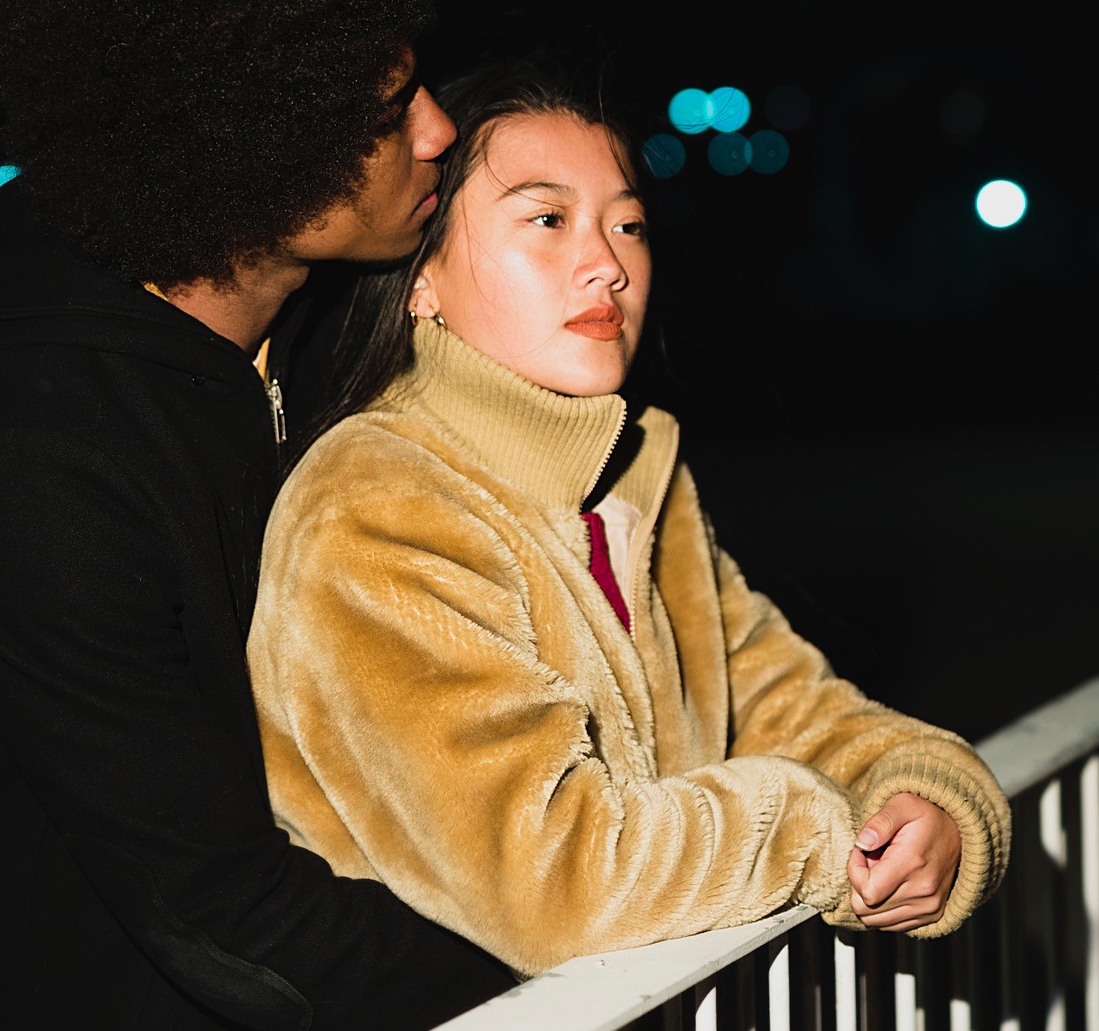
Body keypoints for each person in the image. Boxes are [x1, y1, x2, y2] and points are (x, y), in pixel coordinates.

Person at [0, 0, 516, 1029]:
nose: (436, 129)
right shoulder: (36, 465)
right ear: (247, 137)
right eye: (384, 107)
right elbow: (229, 922)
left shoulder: (330, 350)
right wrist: (588, 964)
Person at [247, 60, 1012, 977]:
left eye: (628, 223)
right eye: (548, 218)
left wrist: (933, 803)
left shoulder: (635, 478)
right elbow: (561, 877)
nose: (607, 263)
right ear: (423, 281)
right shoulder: (375, 509)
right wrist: (826, 834)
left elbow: (787, 705)